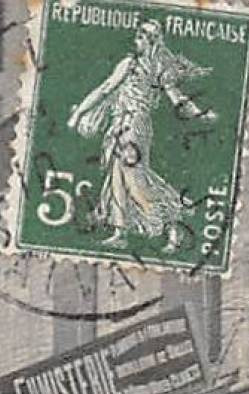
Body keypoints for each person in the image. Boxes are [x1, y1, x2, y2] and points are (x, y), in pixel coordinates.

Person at [66, 19, 216, 252]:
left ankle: (171, 223)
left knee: (135, 180)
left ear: (149, 41)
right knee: (117, 177)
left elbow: (105, 89)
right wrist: (200, 114)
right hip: (123, 126)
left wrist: (78, 114)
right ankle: (120, 231)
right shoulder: (155, 68)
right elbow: (176, 98)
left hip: (132, 126)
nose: (136, 39)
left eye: (141, 36)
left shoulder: (136, 65)